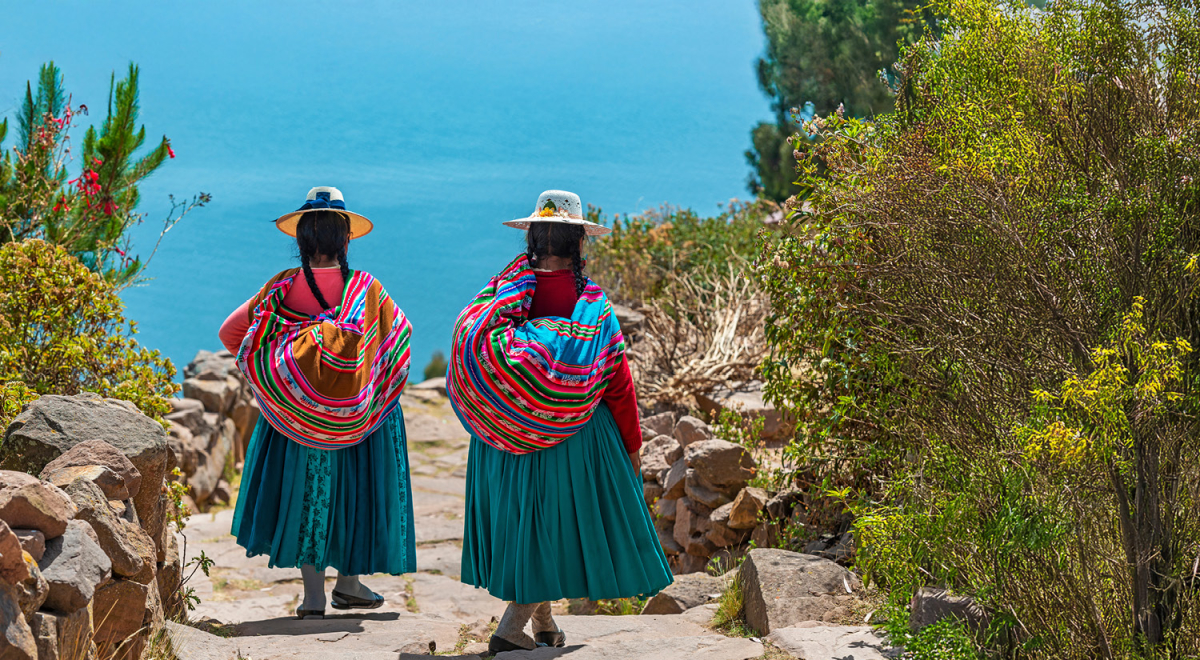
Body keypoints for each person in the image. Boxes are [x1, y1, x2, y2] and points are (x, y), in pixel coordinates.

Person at [449, 190, 673, 654]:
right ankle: (511, 628)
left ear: (532, 238)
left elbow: (470, 342)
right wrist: (632, 446)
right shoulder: (591, 305)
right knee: (552, 527)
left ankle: (545, 623)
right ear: (578, 243)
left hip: (506, 438)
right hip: (574, 438)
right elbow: (618, 382)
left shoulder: (501, 293)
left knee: (529, 526)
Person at [218, 186, 415, 619]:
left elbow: (230, 333)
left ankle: (313, 598)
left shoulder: (281, 291)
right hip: (360, 422)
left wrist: (280, 378)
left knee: (309, 494)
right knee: (354, 491)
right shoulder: (367, 290)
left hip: (296, 422)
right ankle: (349, 583)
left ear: (301, 241)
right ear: (346, 241)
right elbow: (400, 341)